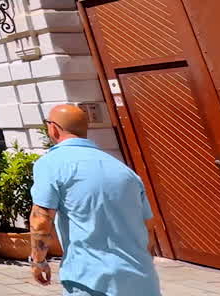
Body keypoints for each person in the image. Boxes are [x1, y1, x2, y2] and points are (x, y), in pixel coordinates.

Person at [30, 104, 160, 296]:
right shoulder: (123, 170)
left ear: (53, 128)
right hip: (141, 279)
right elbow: (148, 226)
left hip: (91, 279)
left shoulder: (50, 164)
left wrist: (38, 261)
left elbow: (41, 220)